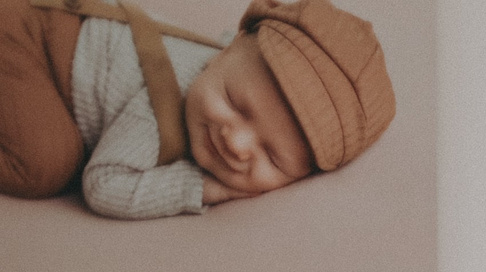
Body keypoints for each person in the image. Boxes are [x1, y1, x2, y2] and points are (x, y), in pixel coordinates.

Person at [0, 0, 391, 219]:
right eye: (234, 102)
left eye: (272, 156)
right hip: (22, 37)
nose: (236, 144)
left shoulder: (235, 63)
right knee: (46, 165)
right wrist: (201, 187)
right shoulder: (158, 112)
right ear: (227, 49)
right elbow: (102, 185)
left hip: (57, 25)